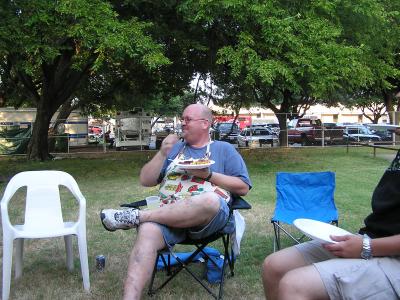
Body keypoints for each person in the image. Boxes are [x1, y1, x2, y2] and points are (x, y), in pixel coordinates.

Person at [100, 103, 252, 300]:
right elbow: (145, 180)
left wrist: (208, 175)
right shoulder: (175, 149)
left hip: (207, 221)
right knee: (147, 231)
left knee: (210, 200)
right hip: (168, 214)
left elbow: (243, 187)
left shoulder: (224, 150)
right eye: (182, 119)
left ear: (205, 123)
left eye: (187, 119)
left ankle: (138, 216)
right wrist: (163, 153)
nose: (182, 124)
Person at [262, 150, 400, 300]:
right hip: (371, 237)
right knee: (273, 266)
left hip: (391, 255)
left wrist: (366, 247)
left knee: (294, 285)